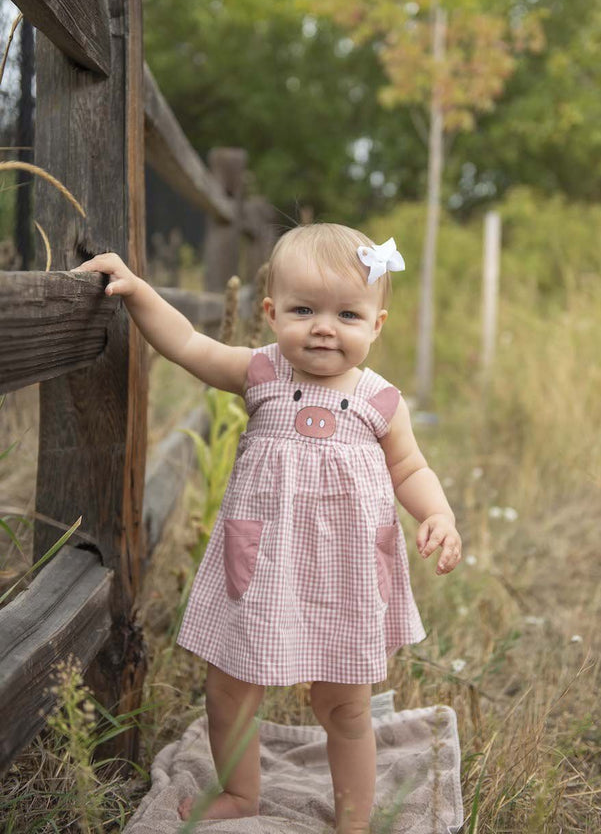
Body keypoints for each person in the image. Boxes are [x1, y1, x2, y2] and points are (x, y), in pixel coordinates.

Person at [76, 223, 462, 834]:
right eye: (304, 310)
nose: (323, 327)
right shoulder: (262, 373)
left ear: (377, 325)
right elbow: (188, 344)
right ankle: (240, 794)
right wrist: (139, 292)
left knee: (344, 707)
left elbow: (410, 468)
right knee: (229, 689)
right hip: (260, 568)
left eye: (348, 315)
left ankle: (355, 819)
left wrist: (437, 514)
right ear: (270, 311)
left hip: (348, 576)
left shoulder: (379, 400)